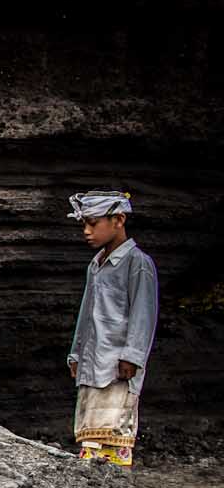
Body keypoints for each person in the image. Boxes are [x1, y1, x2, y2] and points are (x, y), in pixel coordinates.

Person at [66, 190, 158, 467]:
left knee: (115, 434)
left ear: (118, 220)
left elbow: (143, 314)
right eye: (84, 224)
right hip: (92, 362)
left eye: (93, 224)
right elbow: (87, 314)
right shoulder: (95, 265)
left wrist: (132, 356)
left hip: (117, 366)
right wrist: (76, 353)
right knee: (89, 437)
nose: (87, 231)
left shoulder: (138, 263)